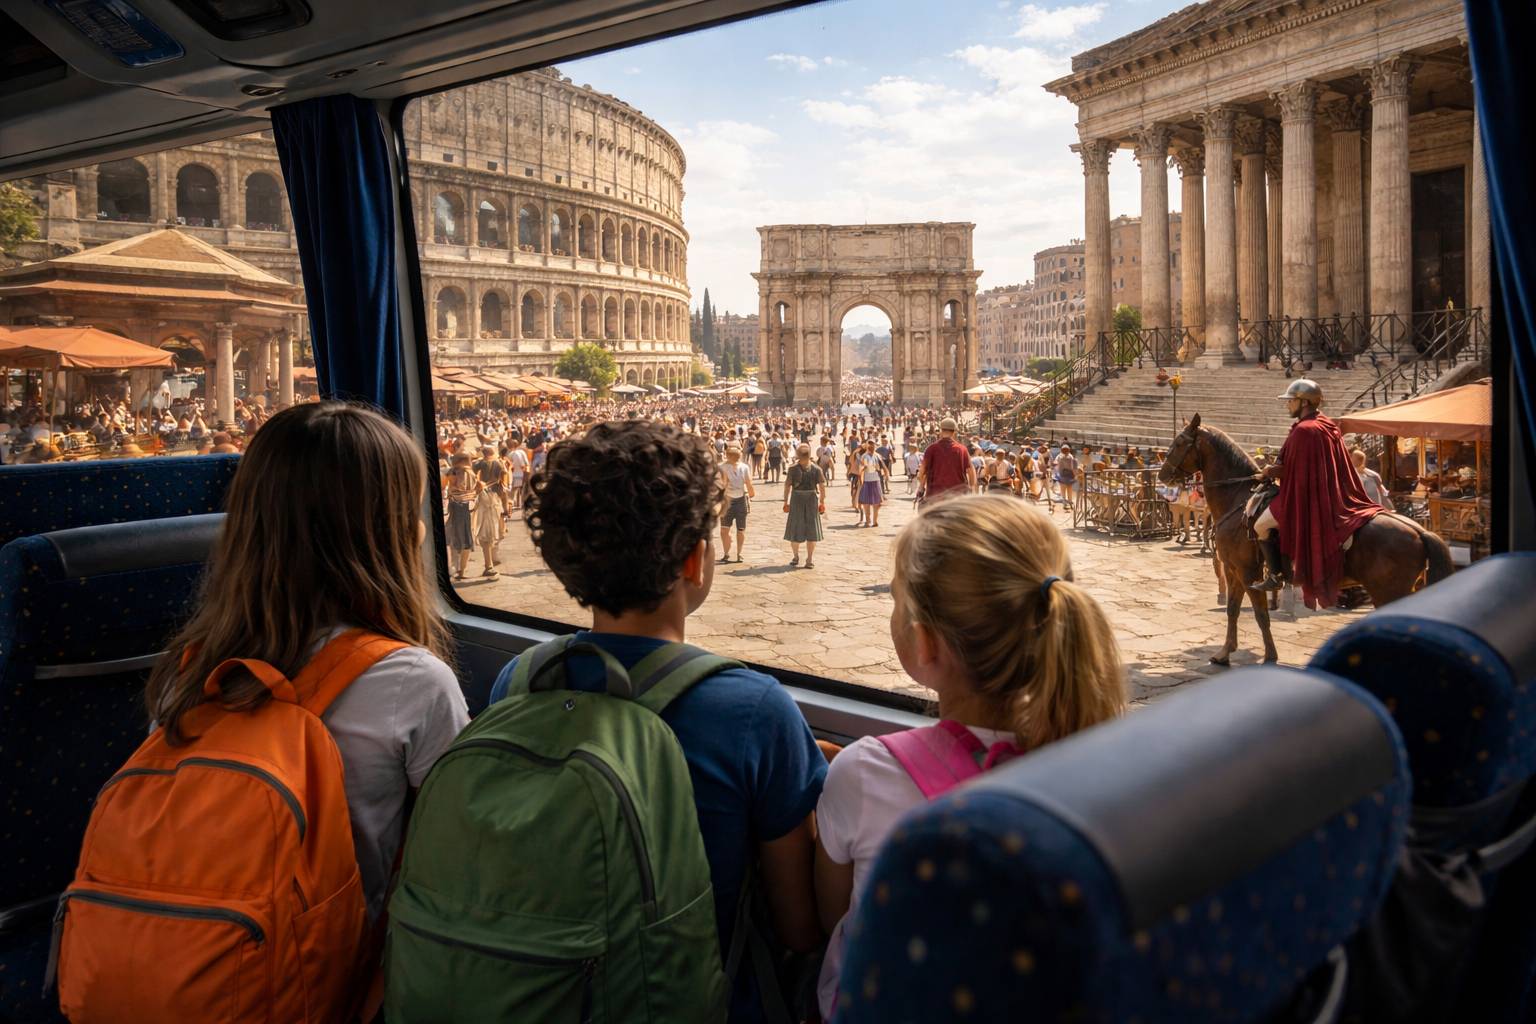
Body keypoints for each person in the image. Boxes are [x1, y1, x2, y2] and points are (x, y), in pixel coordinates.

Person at [487, 421, 825, 1020]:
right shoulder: (755, 711)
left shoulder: (518, 680)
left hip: (543, 994)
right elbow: (798, 926)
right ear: (695, 560)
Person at [145, 402, 469, 923]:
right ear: (393, 534)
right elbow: (461, 843)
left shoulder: (187, 666)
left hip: (180, 939)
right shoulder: (411, 680)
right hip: (335, 957)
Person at [812, 495, 1126, 1020]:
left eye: (897, 601)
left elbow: (832, 919)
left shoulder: (863, 774)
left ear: (925, 644)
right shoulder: (1110, 767)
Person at [1254, 379, 1383, 608]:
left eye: (1291, 401)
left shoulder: (1304, 430)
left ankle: (1275, 575)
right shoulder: (1326, 424)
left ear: (1304, 402)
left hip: (1307, 497)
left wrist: (1269, 471)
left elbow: (1294, 469)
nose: (1287, 405)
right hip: (1331, 493)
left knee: (1260, 526)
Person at [783, 442, 826, 568]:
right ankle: (809, 559)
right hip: (811, 500)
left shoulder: (792, 469)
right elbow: (822, 487)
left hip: (797, 499)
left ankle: (796, 556)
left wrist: (785, 502)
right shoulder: (817, 469)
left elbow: (787, 486)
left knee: (795, 529)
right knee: (812, 531)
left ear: (797, 455)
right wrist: (822, 502)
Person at [916, 418, 975, 506]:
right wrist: (971, 488)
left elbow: (922, 472)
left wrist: (922, 486)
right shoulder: (962, 449)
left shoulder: (931, 449)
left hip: (935, 497)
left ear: (941, 430)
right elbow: (971, 471)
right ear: (954, 432)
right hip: (958, 496)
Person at [719, 443, 756, 563]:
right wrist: (751, 494)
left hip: (736, 500)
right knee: (728, 530)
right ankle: (730, 553)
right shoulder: (722, 467)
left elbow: (748, 483)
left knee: (736, 529)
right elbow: (749, 484)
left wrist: (750, 492)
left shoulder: (743, 467)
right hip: (730, 500)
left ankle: (734, 553)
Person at [444, 451, 478, 580]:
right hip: (465, 507)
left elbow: (453, 487)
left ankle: (456, 568)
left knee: (456, 539)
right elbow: (462, 486)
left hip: (456, 506)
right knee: (466, 539)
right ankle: (461, 571)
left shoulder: (454, 471)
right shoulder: (467, 472)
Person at [856, 439, 886, 527]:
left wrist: (885, 472)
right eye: (870, 445)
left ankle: (875, 521)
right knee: (866, 502)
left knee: (877, 503)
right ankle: (868, 520)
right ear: (867, 446)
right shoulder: (864, 456)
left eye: (873, 445)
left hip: (876, 480)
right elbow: (861, 468)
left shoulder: (877, 456)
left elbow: (882, 466)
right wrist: (862, 471)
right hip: (867, 481)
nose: (872, 447)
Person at [1054, 444, 1080, 509]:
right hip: (1070, 475)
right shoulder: (1071, 457)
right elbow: (1073, 468)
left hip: (1061, 475)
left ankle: (1064, 503)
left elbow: (1055, 464)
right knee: (1069, 489)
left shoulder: (1059, 456)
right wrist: (1075, 476)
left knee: (1062, 489)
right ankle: (1070, 502)